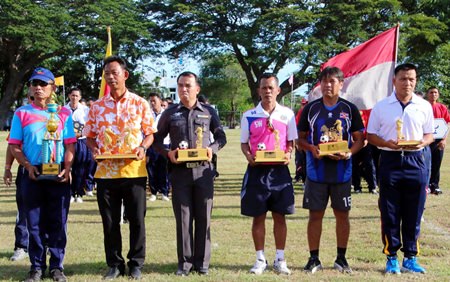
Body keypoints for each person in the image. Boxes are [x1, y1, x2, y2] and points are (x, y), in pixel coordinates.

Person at [84, 56, 155, 280]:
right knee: (110, 221)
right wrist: (95, 150)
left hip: (134, 171)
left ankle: (136, 263)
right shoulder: (96, 106)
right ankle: (114, 264)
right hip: (106, 172)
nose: (110, 77)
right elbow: (90, 136)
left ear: (125, 75)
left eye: (114, 72)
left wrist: (143, 147)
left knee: (137, 219)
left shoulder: (139, 103)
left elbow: (150, 133)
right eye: (107, 73)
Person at [153, 71, 226, 276]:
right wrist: (169, 153)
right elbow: (157, 140)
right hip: (180, 173)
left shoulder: (209, 111)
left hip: (203, 171)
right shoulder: (170, 113)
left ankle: (202, 263)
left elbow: (221, 136)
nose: (184, 89)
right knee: (184, 219)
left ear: (197, 88)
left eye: (188, 85)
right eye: (180, 86)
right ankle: (184, 264)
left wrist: (212, 148)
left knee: (204, 217)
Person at [9, 67, 76, 282]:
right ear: (30, 87)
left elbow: (70, 144)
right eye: (34, 84)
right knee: (34, 223)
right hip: (32, 173)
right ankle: (36, 267)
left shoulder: (64, 113)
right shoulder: (22, 113)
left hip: (57, 173)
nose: (38, 88)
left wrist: (68, 167)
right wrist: (26, 165)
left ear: (52, 88)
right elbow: (15, 145)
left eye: (43, 84)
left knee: (57, 220)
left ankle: (57, 266)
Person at [367, 63, 434, 274]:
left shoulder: (424, 106)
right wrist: (387, 143)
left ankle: (411, 257)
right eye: (403, 79)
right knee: (390, 211)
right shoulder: (381, 106)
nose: (408, 83)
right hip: (390, 160)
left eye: (412, 79)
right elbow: (371, 135)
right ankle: (392, 257)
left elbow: (430, 134)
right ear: (394, 81)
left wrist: (421, 143)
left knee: (414, 211)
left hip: (416, 161)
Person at [298, 66, 364, 274]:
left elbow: (360, 139)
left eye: (333, 81)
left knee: (342, 215)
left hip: (342, 172)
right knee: (315, 215)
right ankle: (313, 258)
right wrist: (311, 149)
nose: (328, 85)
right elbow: (299, 139)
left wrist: (349, 153)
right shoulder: (310, 109)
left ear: (341, 84)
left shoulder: (350, 109)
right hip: (316, 171)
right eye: (324, 81)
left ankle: (341, 258)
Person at [240, 73, 297, 275]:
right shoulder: (248, 115)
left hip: (279, 172)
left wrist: (289, 154)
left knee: (280, 216)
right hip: (257, 171)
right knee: (258, 217)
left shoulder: (288, 114)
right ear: (259, 90)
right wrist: (249, 156)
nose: (267, 91)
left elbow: (291, 142)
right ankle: (260, 259)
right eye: (264, 88)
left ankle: (280, 259)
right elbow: (244, 143)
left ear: (278, 90)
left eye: (271, 88)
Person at [64, 88, 93, 203]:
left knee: (80, 168)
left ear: (80, 97)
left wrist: (80, 134)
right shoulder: (63, 109)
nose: (74, 98)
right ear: (69, 96)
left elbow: (89, 126)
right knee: (68, 167)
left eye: (76, 96)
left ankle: (79, 193)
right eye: (72, 95)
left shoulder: (86, 110)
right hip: (67, 142)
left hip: (81, 141)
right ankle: (69, 193)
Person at [4, 144, 29, 261]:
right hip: (26, 170)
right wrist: (7, 168)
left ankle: (47, 245)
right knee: (23, 211)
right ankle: (22, 246)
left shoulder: (58, 124)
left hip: (50, 169)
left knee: (47, 210)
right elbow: (12, 144)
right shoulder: (20, 124)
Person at [426, 86, 450, 195]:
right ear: (427, 94)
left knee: (437, 163)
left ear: (438, 95)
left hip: (438, 140)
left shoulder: (442, 107)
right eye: (431, 92)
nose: (433, 94)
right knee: (426, 163)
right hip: (426, 139)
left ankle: (435, 185)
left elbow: (447, 124)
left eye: (435, 92)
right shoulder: (423, 107)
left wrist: (444, 140)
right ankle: (425, 185)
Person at [146, 92, 170, 202]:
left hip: (165, 144)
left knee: (164, 169)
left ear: (160, 101)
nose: (152, 103)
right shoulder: (147, 114)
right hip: (151, 145)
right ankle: (153, 192)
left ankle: (165, 192)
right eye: (150, 101)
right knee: (152, 169)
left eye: (154, 101)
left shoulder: (167, 114)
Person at [352, 109, 378, 194]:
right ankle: (357, 187)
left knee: (369, 164)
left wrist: (367, 139)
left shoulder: (369, 110)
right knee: (354, 165)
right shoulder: (350, 109)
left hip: (366, 142)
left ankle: (372, 187)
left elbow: (371, 126)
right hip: (354, 143)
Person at [294, 98, 308, 184]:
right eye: (303, 104)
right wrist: (297, 142)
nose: (304, 105)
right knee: (301, 160)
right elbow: (297, 128)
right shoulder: (301, 112)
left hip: (310, 140)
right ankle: (302, 178)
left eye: (305, 103)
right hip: (302, 140)